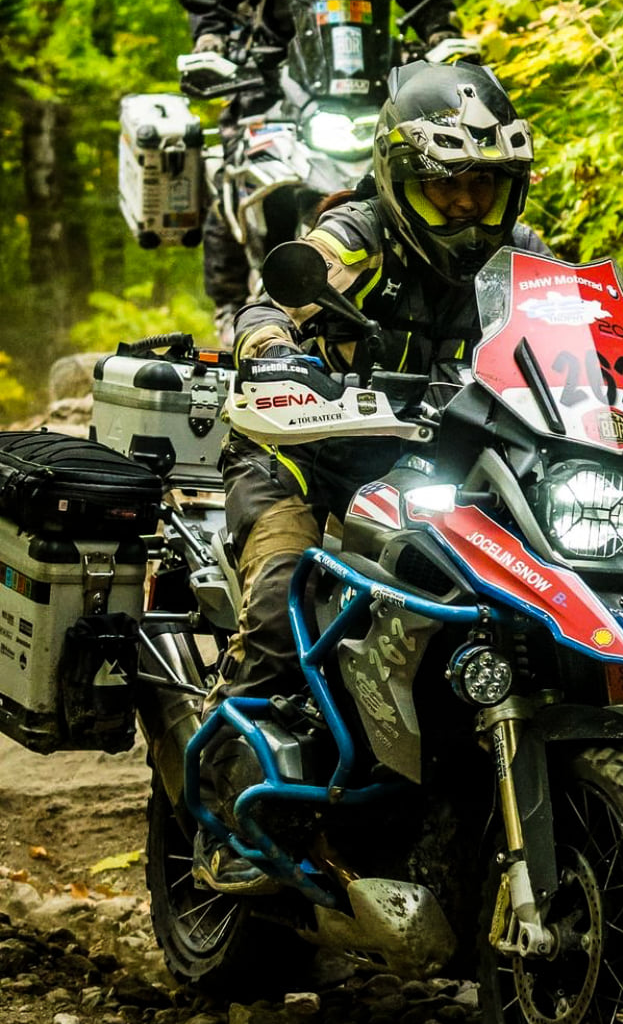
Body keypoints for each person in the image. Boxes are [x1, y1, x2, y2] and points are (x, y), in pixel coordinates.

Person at [194, 59, 548, 894]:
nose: (466, 204)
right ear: (399, 177)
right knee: (282, 599)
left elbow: (582, 331)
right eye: (447, 185)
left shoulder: (524, 259)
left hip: (451, 473)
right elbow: (270, 304)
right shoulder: (358, 236)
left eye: (485, 185)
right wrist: (276, 348)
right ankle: (232, 813)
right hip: (309, 459)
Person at [188, 0, 465, 345]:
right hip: (273, 77)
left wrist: (444, 36)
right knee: (231, 160)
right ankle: (228, 304)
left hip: (372, 83)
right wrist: (211, 43)